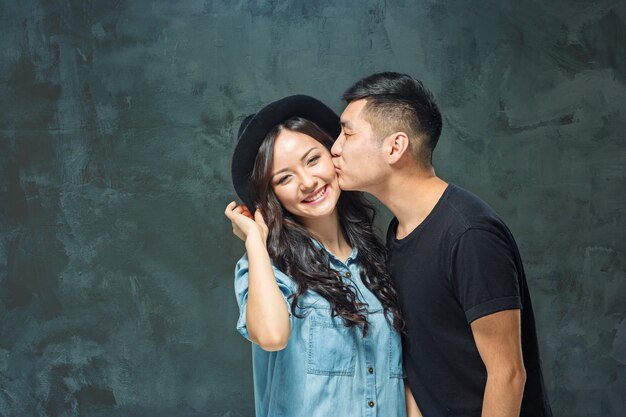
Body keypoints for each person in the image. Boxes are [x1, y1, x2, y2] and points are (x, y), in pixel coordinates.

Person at [331, 72, 553, 417]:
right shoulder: (398, 231)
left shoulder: (469, 233)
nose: (335, 148)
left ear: (395, 146)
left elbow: (508, 374)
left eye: (347, 133)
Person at [225, 95, 409, 417]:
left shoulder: (377, 259)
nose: (308, 183)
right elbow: (271, 336)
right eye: (284, 178)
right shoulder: (266, 267)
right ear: (272, 196)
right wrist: (255, 239)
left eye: (312, 160)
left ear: (333, 154)